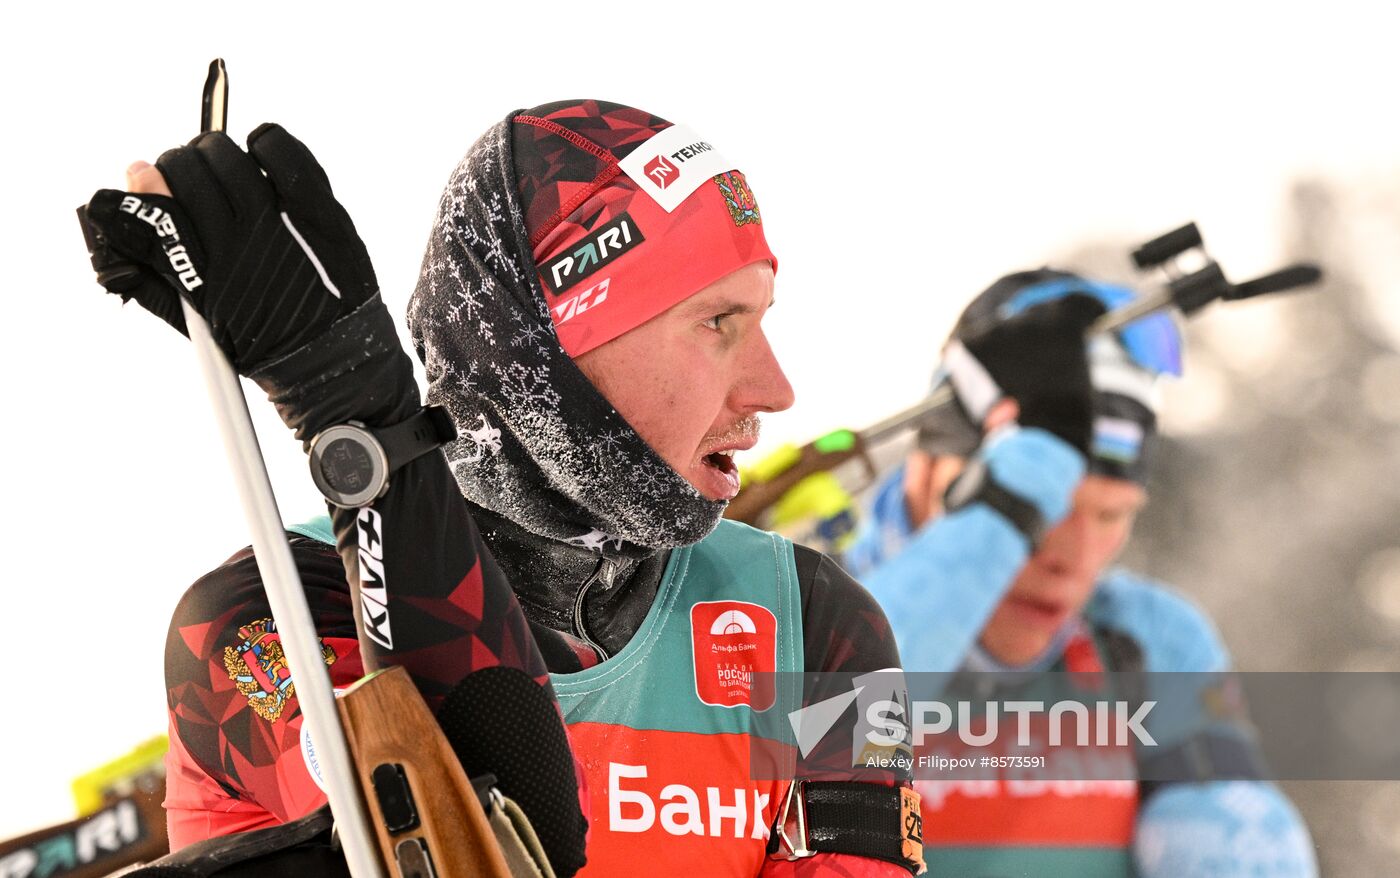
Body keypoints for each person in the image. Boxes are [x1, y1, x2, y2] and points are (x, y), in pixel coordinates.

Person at [84, 100, 923, 876]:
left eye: (762, 317)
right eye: (717, 323)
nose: (774, 389)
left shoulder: (821, 630)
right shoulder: (265, 622)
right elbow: (483, 847)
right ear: (545, 353)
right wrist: (354, 408)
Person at [842, 269, 1318, 876]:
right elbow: (829, 740)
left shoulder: (1143, 639)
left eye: (1111, 514)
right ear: (927, 468)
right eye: (1040, 509)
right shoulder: (784, 602)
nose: (1075, 555)